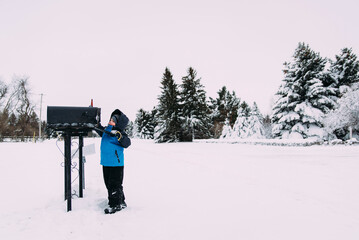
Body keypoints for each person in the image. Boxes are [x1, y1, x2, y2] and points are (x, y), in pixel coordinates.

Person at [95, 109, 131, 214]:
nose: (111, 121)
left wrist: (119, 137)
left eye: (113, 120)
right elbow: (98, 129)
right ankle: (121, 201)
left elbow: (127, 143)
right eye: (111, 119)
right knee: (108, 183)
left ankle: (115, 204)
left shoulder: (120, 132)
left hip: (116, 162)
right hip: (106, 162)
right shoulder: (106, 130)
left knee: (114, 184)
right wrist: (92, 118)